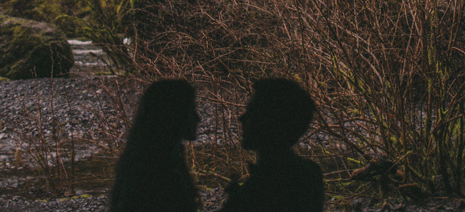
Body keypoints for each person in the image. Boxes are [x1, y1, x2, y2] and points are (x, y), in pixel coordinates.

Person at [220, 78, 324, 212]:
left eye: (251, 111)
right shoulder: (309, 176)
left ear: (268, 122)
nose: (242, 118)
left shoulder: (264, 185)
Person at [108, 79, 200, 212]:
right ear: (174, 115)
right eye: (191, 110)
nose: (198, 118)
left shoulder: (146, 158)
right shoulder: (160, 168)